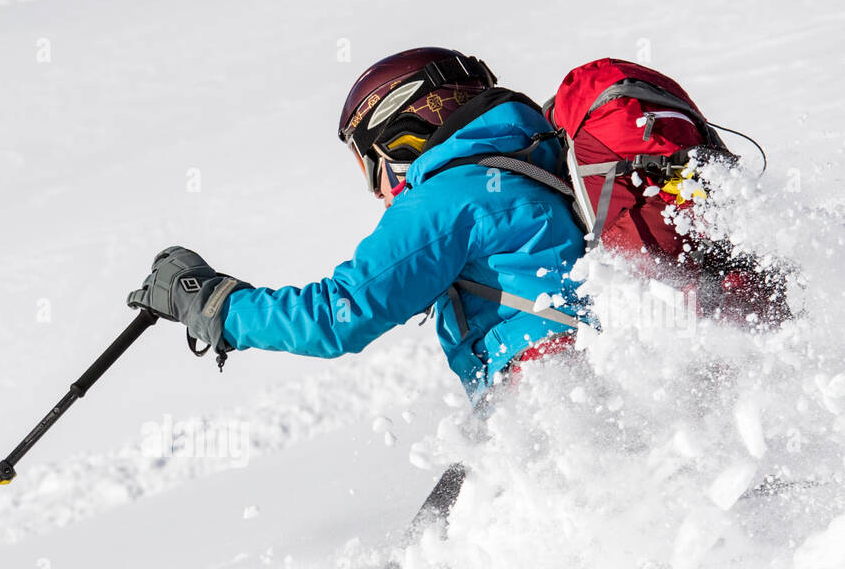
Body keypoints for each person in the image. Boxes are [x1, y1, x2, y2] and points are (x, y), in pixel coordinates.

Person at [126, 47, 589, 407]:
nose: (375, 190)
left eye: (370, 164)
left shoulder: (449, 197)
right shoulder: (533, 162)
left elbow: (337, 317)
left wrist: (209, 303)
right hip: (582, 376)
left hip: (547, 396)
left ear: (400, 136)